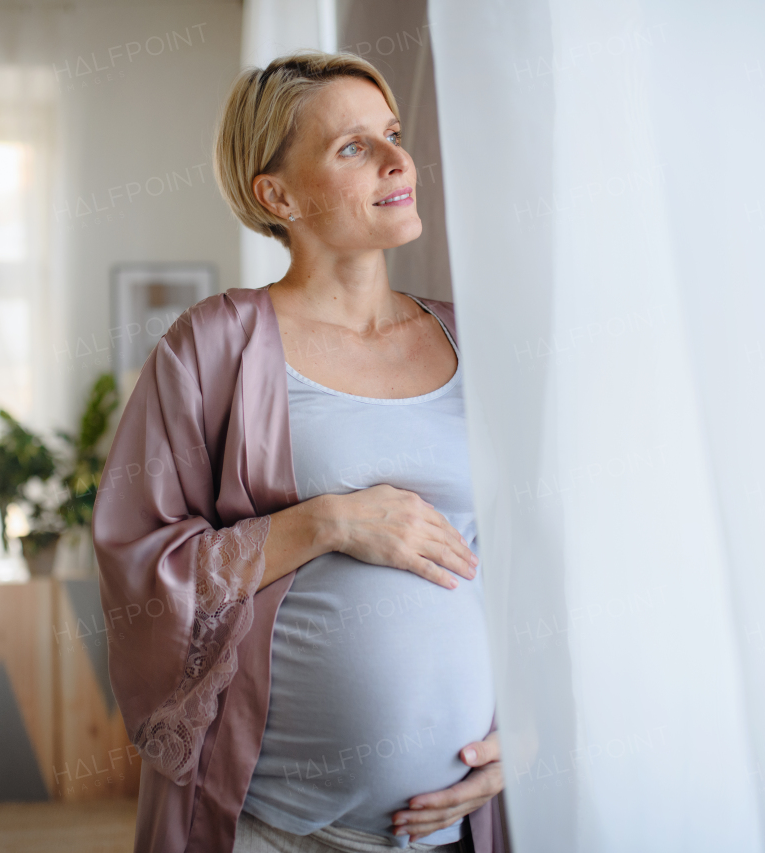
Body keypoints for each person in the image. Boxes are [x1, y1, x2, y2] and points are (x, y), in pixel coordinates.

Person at [93, 51, 506, 853]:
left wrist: (526, 735)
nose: (397, 160)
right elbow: (137, 564)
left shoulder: (474, 339)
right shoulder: (213, 345)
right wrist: (326, 523)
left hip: (458, 823)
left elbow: (542, 568)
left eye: (391, 134)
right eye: (353, 147)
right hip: (274, 828)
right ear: (277, 195)